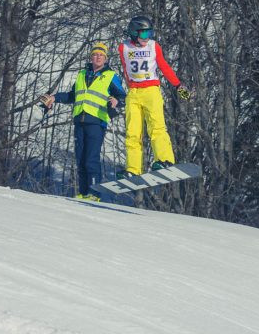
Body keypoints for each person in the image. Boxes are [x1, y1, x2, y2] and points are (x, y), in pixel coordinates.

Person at [40, 41, 126, 201]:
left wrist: (116, 101)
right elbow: (72, 96)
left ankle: (94, 194)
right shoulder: (82, 74)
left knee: (91, 159)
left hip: (97, 121)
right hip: (80, 120)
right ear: (91, 57)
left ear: (105, 58)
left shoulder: (110, 76)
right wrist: (54, 98)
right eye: (95, 54)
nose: (98, 57)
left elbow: (123, 96)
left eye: (101, 55)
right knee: (80, 158)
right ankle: (84, 192)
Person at [116, 15, 191, 179]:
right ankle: (132, 169)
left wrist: (178, 85)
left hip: (151, 90)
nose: (146, 37)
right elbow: (126, 69)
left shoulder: (153, 46)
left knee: (157, 127)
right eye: (143, 34)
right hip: (133, 94)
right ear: (134, 33)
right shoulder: (124, 48)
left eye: (149, 33)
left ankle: (164, 160)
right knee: (132, 133)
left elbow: (163, 66)